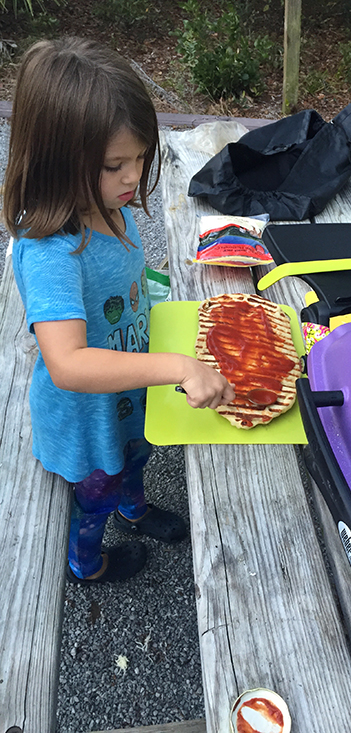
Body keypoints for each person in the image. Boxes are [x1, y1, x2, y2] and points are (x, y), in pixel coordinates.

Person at [2, 37, 235, 585]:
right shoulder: (49, 251)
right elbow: (68, 364)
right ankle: (88, 561)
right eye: (115, 164)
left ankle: (134, 506)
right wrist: (177, 366)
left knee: (135, 458)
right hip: (85, 421)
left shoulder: (111, 206)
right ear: (58, 159)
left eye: (140, 159)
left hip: (129, 399)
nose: (134, 177)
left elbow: (131, 285)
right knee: (96, 493)